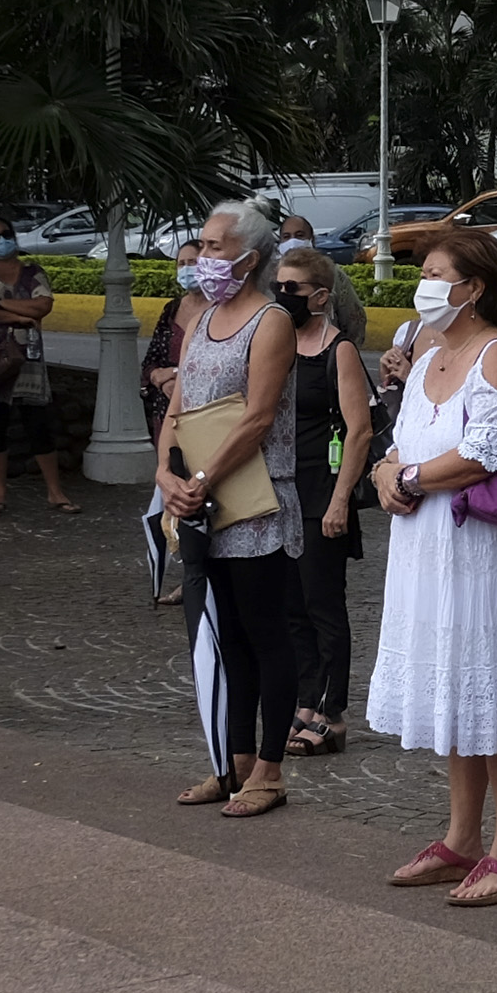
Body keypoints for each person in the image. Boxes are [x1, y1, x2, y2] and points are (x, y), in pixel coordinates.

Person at [365, 229, 497, 906]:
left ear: (473, 288)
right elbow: (403, 435)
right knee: (455, 688)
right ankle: (460, 837)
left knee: (493, 690)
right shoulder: (425, 354)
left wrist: (411, 475)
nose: (423, 282)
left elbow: (484, 452)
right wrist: (387, 468)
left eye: (435, 272)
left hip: (482, 554)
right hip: (427, 547)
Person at [163, 200, 312, 815]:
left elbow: (258, 415)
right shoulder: (201, 317)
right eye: (202, 244)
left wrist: (201, 476)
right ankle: (235, 762)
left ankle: (270, 771)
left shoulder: (270, 320)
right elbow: (179, 403)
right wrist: (165, 475)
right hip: (202, 499)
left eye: (216, 246)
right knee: (223, 637)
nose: (204, 257)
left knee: (264, 633)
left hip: (254, 499)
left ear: (249, 258)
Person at [278, 240, 377, 756]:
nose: (281, 295)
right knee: (291, 605)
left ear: (318, 297)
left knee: (323, 605)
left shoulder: (339, 351)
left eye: (291, 288)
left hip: (322, 489)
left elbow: (358, 431)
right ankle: (303, 699)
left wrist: (341, 501)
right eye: (277, 286)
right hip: (280, 491)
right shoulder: (275, 342)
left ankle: (331, 711)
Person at [0, 232, 74, 512]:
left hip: (29, 361)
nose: (0, 240)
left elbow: (43, 306)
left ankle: (55, 492)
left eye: (5, 235)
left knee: (39, 424)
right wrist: (19, 317)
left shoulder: (32, 272)